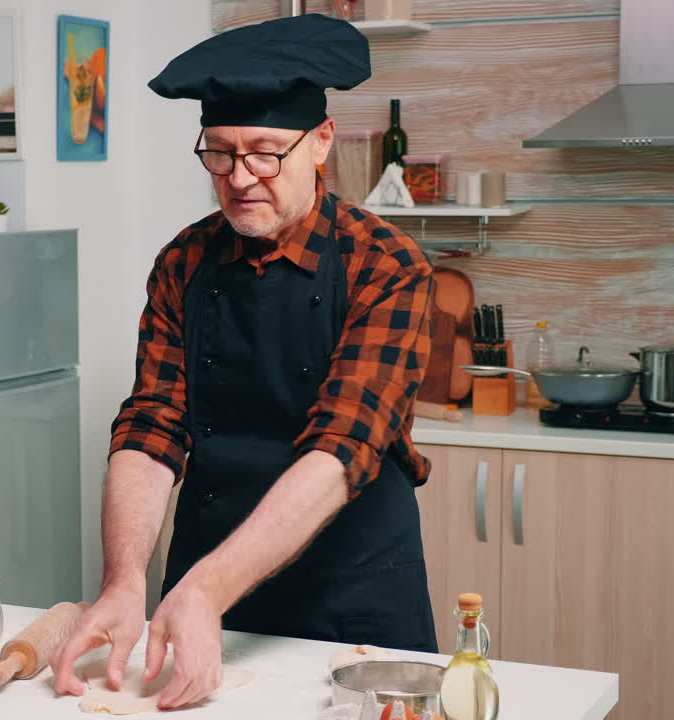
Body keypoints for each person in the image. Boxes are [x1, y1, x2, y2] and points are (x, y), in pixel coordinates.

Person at [52, 13, 437, 711]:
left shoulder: (385, 265)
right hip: (207, 594)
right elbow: (151, 427)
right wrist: (124, 582)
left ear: (321, 142)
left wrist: (204, 589)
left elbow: (342, 446)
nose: (240, 178)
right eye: (220, 154)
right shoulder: (184, 261)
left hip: (353, 600)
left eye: (264, 153)